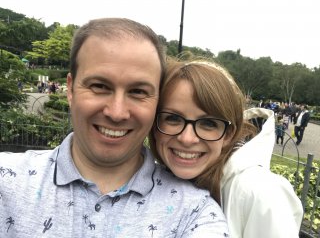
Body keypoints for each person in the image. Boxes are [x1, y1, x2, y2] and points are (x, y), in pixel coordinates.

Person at [0, 18, 229, 237]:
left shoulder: (194, 214)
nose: (117, 113)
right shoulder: (6, 182)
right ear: (70, 90)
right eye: (100, 86)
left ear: (157, 101)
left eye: (138, 92)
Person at [149, 59, 303, 238]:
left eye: (208, 123)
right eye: (173, 118)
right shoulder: (150, 178)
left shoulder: (260, 193)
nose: (187, 138)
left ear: (229, 133)